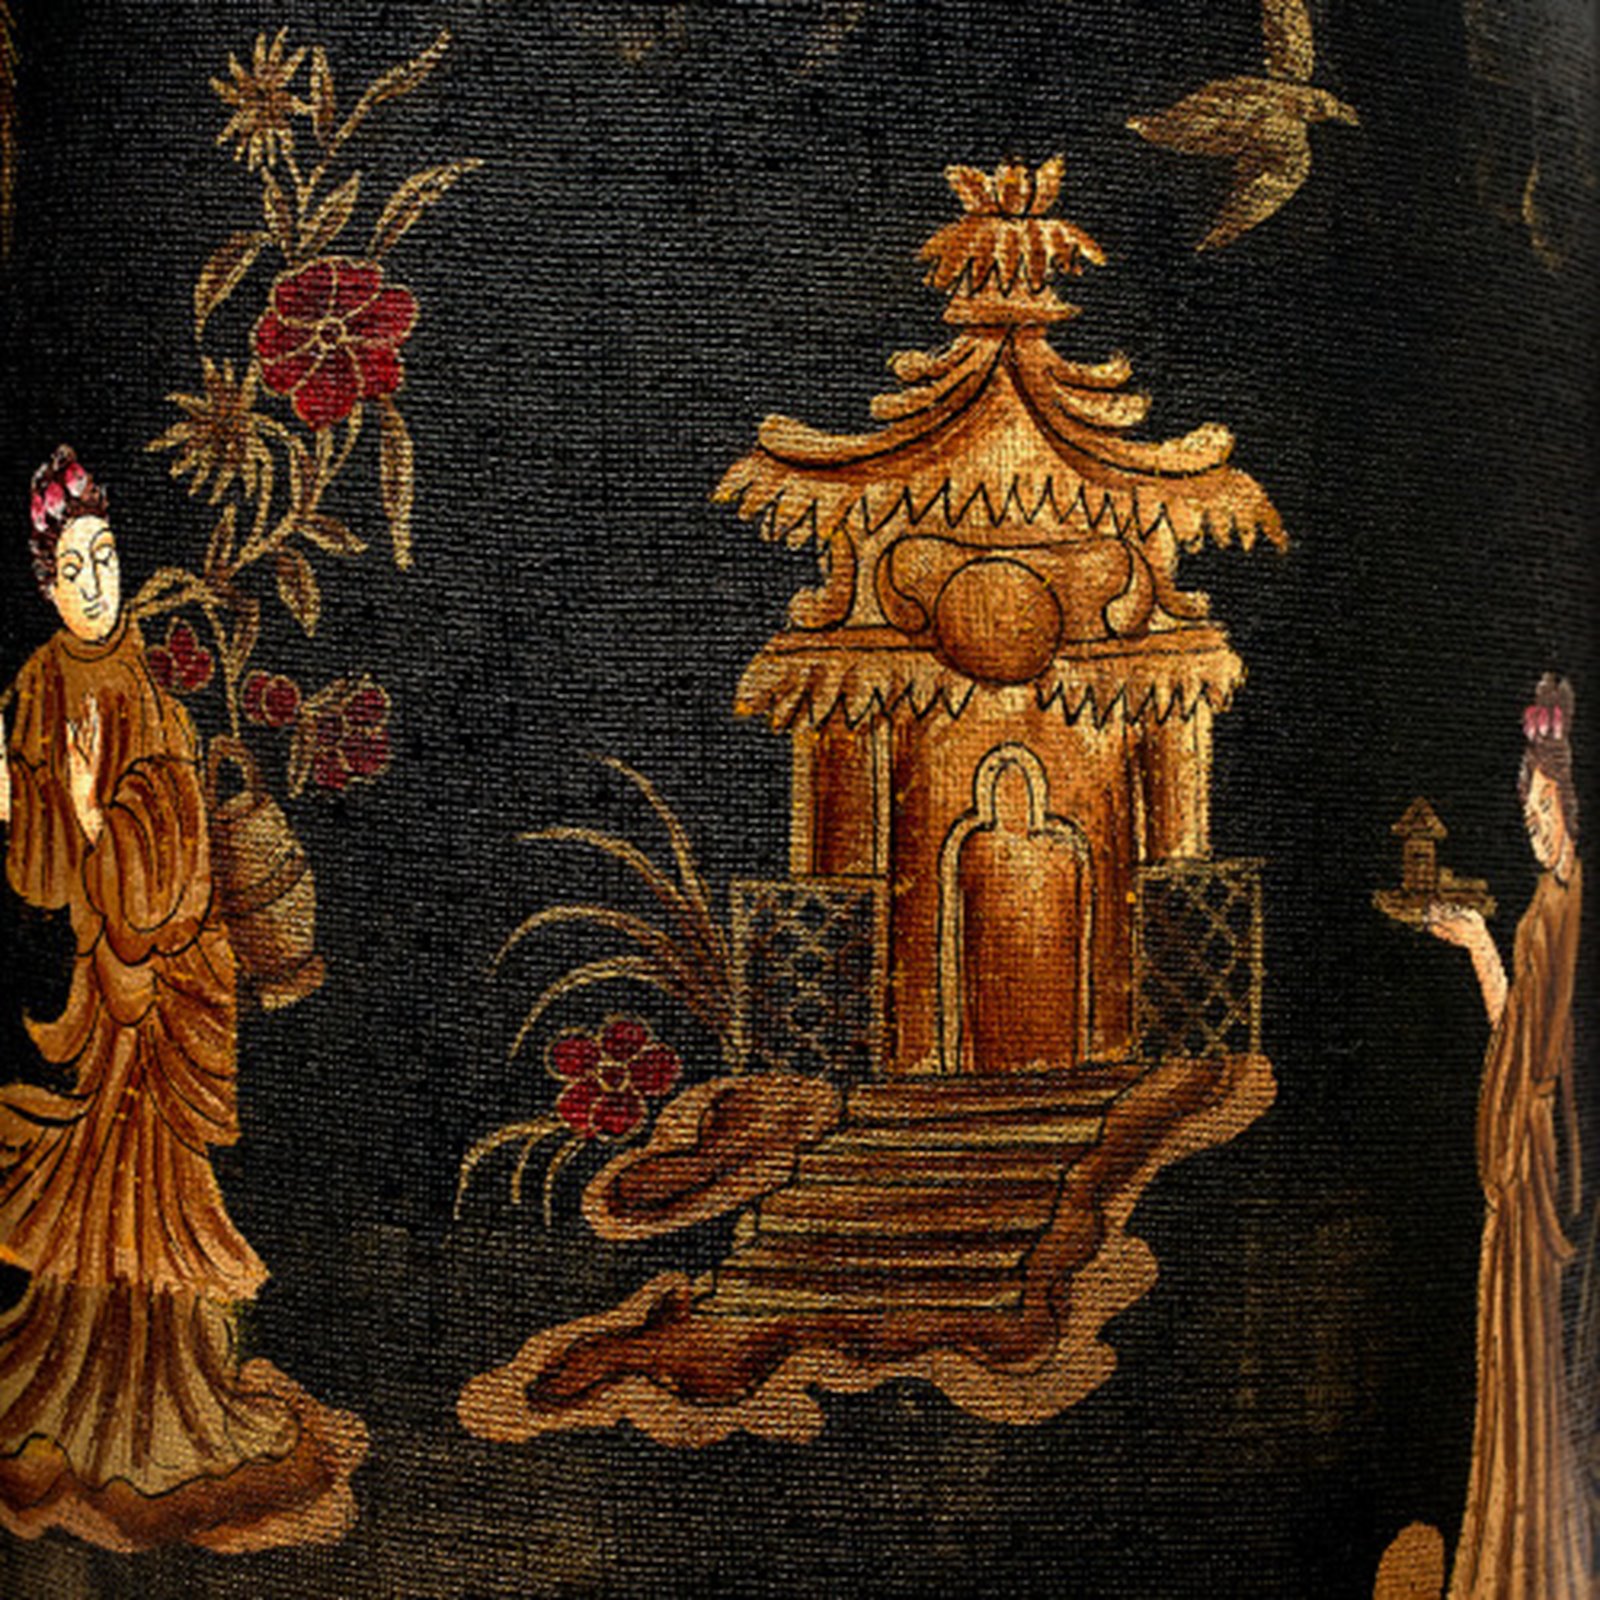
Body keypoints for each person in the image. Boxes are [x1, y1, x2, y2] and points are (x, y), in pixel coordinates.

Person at [0, 446, 365, 1552]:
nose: (96, 583)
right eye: (74, 568)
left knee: (159, 1192)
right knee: (99, 1186)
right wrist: (36, 800)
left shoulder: (148, 688)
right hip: (106, 980)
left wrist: (101, 819)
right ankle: (77, 1383)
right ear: (46, 585)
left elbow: (174, 837)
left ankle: (170, 1387)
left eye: (106, 557)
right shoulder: (38, 686)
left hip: (169, 979)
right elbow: (41, 872)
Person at [1427, 673, 1592, 1598]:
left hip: (1539, 1163)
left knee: (1533, 1356)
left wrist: (1534, 1126)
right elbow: (1520, 1036)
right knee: (1512, 1356)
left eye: (1543, 809)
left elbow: (1549, 1058)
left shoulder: (1571, 909)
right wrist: (1483, 948)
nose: (1535, 827)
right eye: (1525, 813)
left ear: (1570, 801)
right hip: (1525, 1158)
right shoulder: (1543, 903)